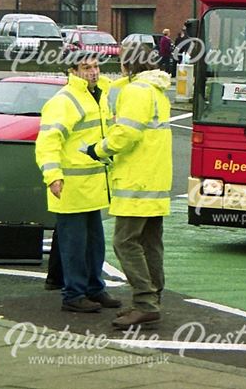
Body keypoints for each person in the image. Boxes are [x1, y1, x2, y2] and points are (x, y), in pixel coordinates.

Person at [86, 41, 172, 329]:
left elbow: (126, 134)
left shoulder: (136, 92)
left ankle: (145, 302)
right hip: (154, 179)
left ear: (128, 64)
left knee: (124, 242)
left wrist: (98, 149)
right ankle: (152, 298)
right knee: (149, 242)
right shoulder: (155, 91)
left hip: (136, 180)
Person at [35, 50, 121, 314]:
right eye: (86, 67)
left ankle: (94, 288)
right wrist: (53, 177)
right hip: (71, 187)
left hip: (93, 186)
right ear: (72, 72)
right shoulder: (65, 101)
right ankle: (73, 294)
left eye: (95, 66)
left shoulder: (100, 94)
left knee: (94, 243)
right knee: (74, 245)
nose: (93, 71)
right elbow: (48, 142)